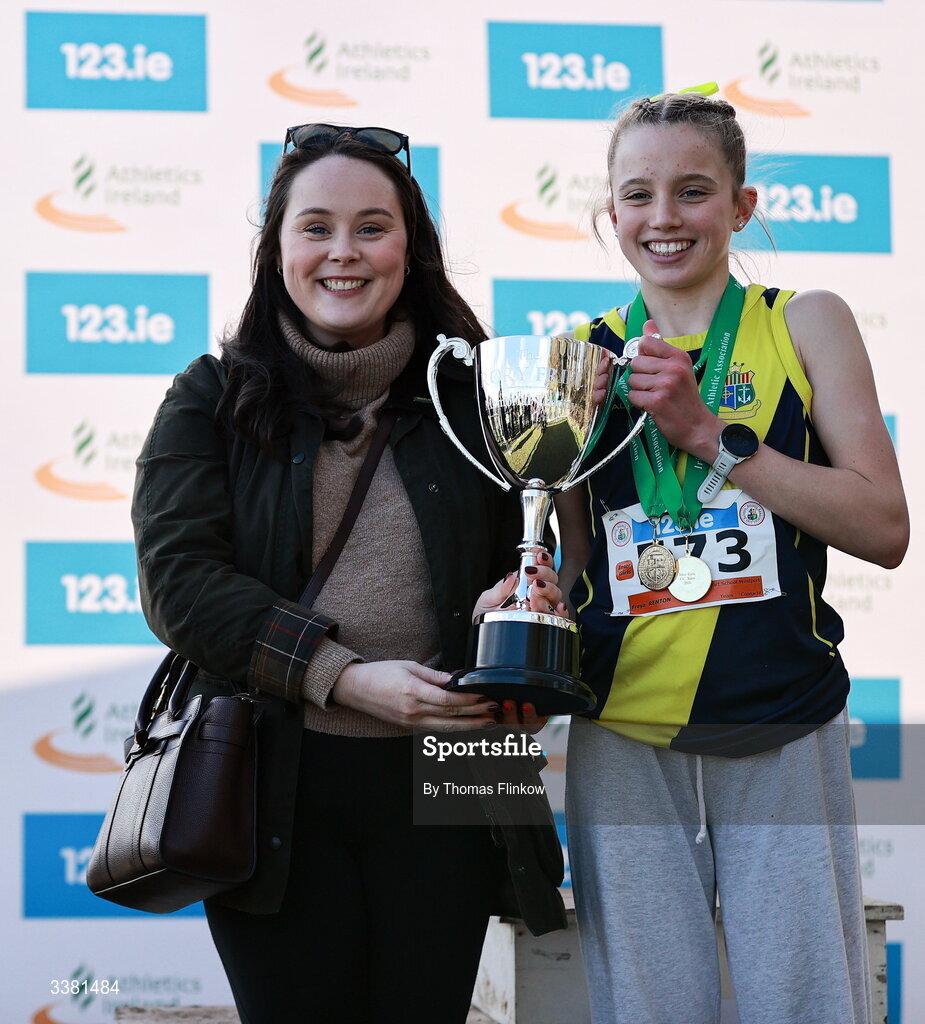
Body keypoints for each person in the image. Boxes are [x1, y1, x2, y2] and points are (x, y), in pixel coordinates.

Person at [132, 123, 566, 1024]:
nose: (343, 252)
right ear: (277, 250)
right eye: (315, 226)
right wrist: (343, 677)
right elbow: (180, 583)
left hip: (458, 766)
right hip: (273, 773)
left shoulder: (483, 397)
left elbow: (520, 556)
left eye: (371, 227)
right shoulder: (211, 397)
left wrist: (514, 601)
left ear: (410, 250)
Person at [554, 92, 908, 1024]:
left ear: (740, 208)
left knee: (803, 1005)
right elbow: (576, 553)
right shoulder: (580, 357)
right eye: (637, 195)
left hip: (780, 717)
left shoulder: (803, 322)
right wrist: (528, 584)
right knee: (648, 1009)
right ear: (611, 213)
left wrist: (710, 436)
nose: (662, 218)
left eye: (692, 191)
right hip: (623, 725)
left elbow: (882, 527)